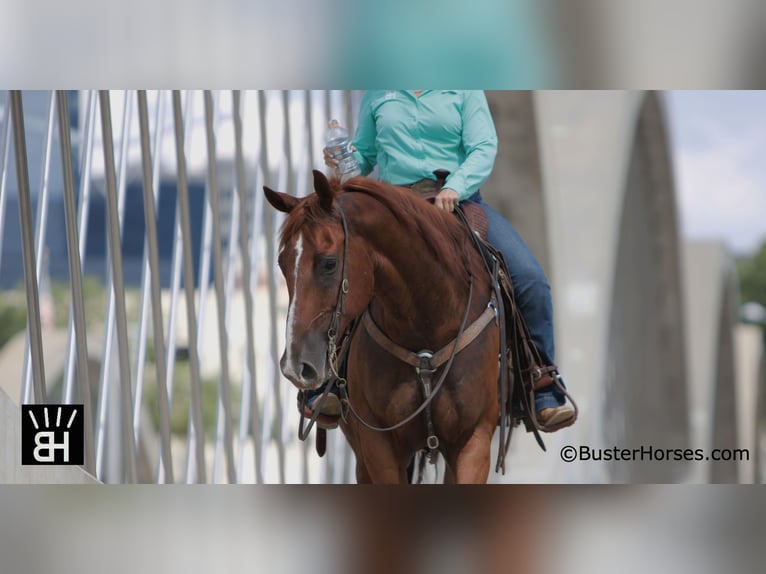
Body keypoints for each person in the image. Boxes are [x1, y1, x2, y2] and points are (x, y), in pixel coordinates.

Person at [310, 90, 574, 430]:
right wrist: (343, 160)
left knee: (529, 279)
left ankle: (541, 385)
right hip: (394, 208)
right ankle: (329, 381)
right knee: (335, 271)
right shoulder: (377, 91)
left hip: (455, 202)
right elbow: (366, 154)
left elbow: (482, 146)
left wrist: (455, 186)